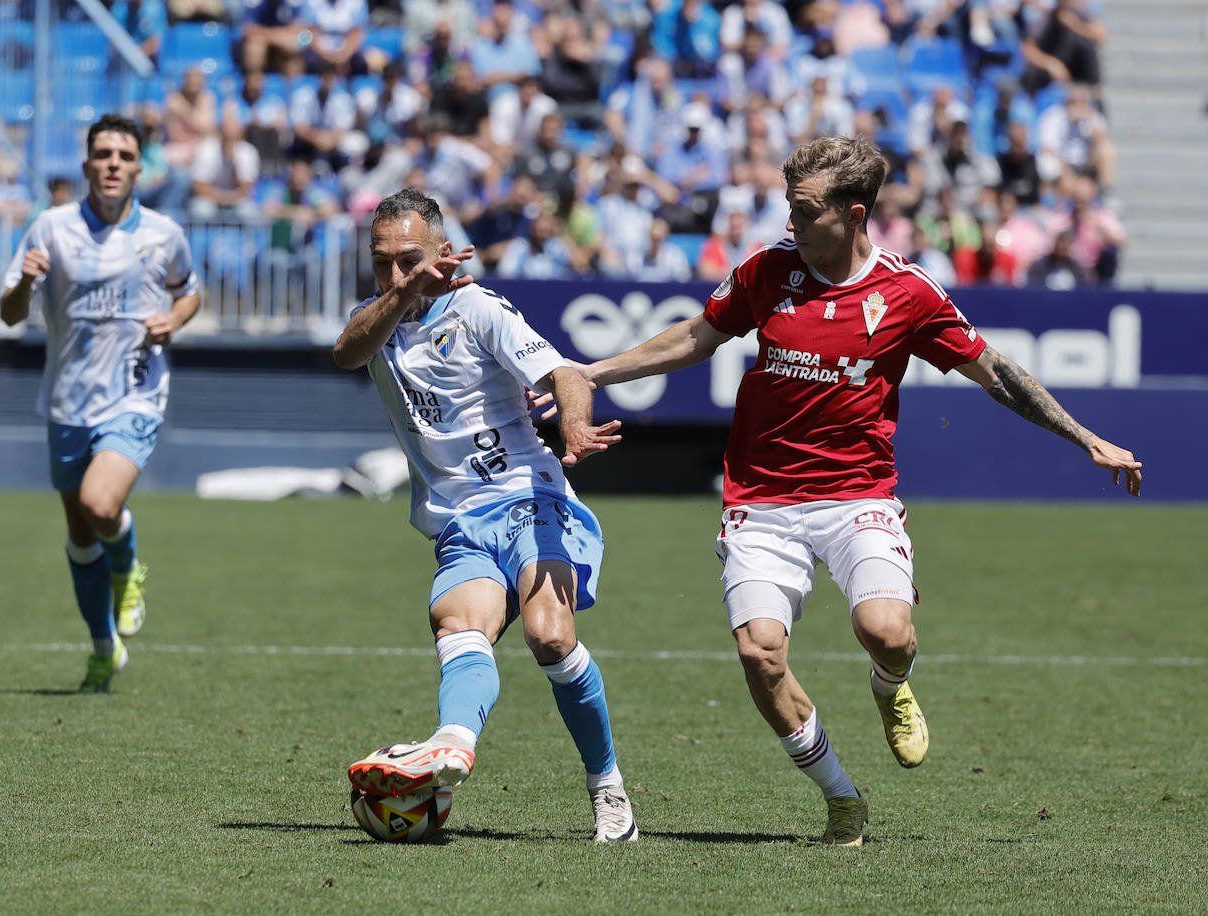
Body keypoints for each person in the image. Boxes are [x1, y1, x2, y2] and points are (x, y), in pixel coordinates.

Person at [536, 136, 1141, 846]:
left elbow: (997, 372)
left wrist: (1085, 437)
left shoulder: (908, 293)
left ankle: (890, 687)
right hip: (760, 500)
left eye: (804, 211)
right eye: (788, 209)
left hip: (857, 497)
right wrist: (596, 371)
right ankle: (840, 795)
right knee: (760, 653)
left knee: (887, 633)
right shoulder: (768, 271)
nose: (790, 225)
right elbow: (699, 336)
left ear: (856, 214)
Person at [335, 187, 637, 843]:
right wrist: (400, 293)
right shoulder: (374, 320)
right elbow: (345, 353)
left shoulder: (477, 308)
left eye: (409, 260)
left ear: (445, 254)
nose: (395, 274)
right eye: (382, 261)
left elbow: (565, 375)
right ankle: (450, 747)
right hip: (458, 526)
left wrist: (576, 430)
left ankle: (608, 787)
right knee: (457, 622)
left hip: (533, 501)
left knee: (549, 635)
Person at [0, 114, 202, 692]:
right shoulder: (51, 228)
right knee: (81, 531)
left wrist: (173, 320)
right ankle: (102, 646)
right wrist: (22, 284)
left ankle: (129, 567)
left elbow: (189, 290)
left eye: (125, 154)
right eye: (104, 153)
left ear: (140, 168)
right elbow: (10, 314)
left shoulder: (163, 234)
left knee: (100, 503)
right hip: (67, 399)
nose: (114, 163)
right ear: (87, 164)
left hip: (135, 392)